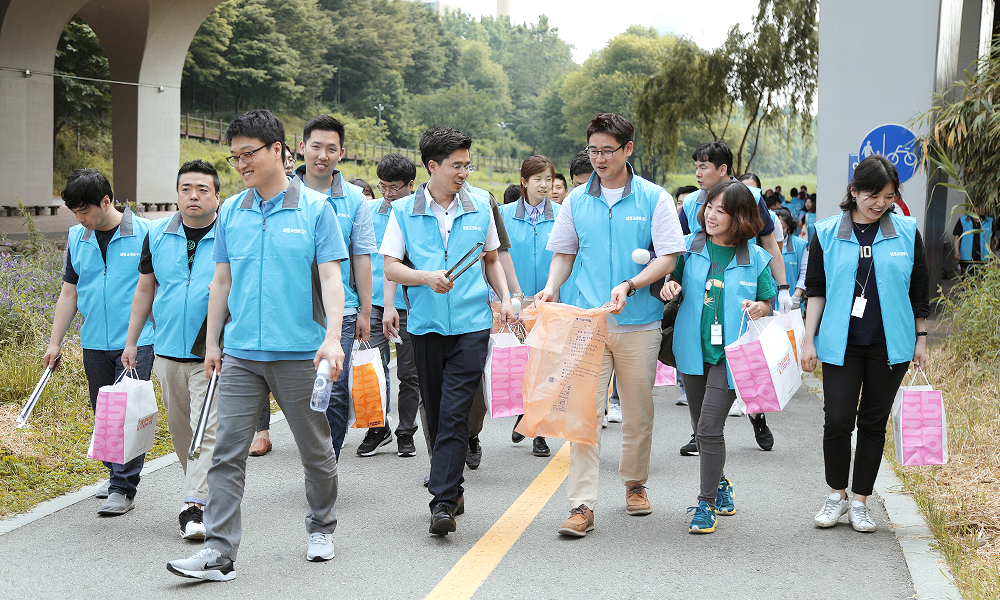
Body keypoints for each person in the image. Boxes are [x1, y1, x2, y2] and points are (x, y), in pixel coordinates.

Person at [166, 109, 347, 580]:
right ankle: (219, 552)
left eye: (249, 154)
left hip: (300, 353)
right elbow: (221, 280)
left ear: (278, 152)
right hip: (242, 354)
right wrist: (213, 342)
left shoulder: (315, 210)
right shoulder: (231, 211)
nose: (241, 164)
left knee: (315, 450)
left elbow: (332, 278)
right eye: (235, 156)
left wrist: (332, 338)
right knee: (227, 452)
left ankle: (321, 527)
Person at [538, 113, 685, 538]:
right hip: (588, 323)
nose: (599, 159)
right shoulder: (576, 201)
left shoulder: (654, 198)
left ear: (628, 149)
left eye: (607, 150)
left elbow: (668, 258)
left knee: (638, 413)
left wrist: (631, 285)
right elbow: (565, 253)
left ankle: (635, 483)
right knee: (584, 415)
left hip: (640, 324)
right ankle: (581, 504)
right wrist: (551, 286)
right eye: (593, 151)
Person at [381, 126, 516, 536]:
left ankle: (441, 502)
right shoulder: (403, 211)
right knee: (438, 412)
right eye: (456, 165)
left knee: (456, 410)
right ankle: (453, 489)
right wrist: (425, 277)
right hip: (425, 326)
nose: (463, 172)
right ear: (432, 166)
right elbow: (391, 267)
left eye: (467, 165)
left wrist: (505, 297)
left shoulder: (482, 203)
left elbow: (491, 259)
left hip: (473, 325)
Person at [802, 154, 929, 533]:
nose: (880, 204)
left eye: (888, 197)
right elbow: (816, 290)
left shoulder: (906, 231)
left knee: (873, 423)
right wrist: (808, 339)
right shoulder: (826, 232)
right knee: (837, 420)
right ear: (854, 191)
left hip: (891, 345)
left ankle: (859, 501)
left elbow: (918, 290)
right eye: (873, 196)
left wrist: (922, 338)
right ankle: (836, 495)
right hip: (841, 344)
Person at [660, 180, 776, 534]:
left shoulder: (755, 258)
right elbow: (668, 281)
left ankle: (706, 503)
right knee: (701, 429)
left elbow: (767, 302)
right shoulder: (688, 247)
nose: (710, 215)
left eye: (720, 210)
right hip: (692, 349)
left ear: (739, 217)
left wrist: (758, 307)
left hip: (732, 355)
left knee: (709, 427)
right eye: (709, 206)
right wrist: (669, 286)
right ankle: (721, 483)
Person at [44, 168, 154, 517]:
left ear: (106, 201)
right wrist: (55, 343)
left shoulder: (144, 233)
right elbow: (69, 293)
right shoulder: (78, 236)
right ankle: (115, 473)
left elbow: (157, 287)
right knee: (104, 414)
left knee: (126, 412)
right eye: (74, 212)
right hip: (93, 340)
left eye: (84, 211)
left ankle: (123, 487)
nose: (80, 219)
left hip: (136, 341)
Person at [121, 160, 221, 539]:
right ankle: (207, 493)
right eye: (185, 189)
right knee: (181, 433)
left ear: (217, 196)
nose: (193, 196)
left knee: (205, 430)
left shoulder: (230, 235)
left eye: (202, 189)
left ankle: (194, 506)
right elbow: (145, 289)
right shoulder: (157, 234)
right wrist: (132, 341)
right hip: (166, 352)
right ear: (177, 194)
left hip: (212, 353)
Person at [295, 115, 377, 460]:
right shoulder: (283, 193)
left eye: (331, 148)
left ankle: (328, 464)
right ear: (302, 148)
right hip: (293, 309)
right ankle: (313, 458)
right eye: (316, 147)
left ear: (341, 153)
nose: (322, 155)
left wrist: (366, 311)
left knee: (335, 388)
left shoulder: (356, 199)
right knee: (300, 390)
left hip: (340, 310)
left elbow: (361, 257)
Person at [500, 154, 568, 458]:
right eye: (538, 179)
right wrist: (505, 297)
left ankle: (537, 429)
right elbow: (494, 259)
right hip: (515, 304)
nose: (545, 185)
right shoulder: (503, 215)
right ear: (524, 182)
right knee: (520, 364)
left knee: (545, 368)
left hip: (552, 302)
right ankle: (523, 413)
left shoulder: (564, 215)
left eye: (549, 179)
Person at [370, 153, 422, 458]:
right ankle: (378, 428)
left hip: (408, 305)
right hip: (373, 305)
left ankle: (405, 431)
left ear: (410, 185)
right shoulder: (368, 212)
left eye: (394, 188)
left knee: (408, 373)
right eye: (383, 187)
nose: (388, 194)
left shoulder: (417, 214)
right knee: (372, 370)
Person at [774, 207, 808, 312]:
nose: (779, 231)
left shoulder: (800, 246)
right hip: (768, 305)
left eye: (782, 227)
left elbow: (804, 273)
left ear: (788, 226)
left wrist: (796, 296)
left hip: (792, 303)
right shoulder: (762, 245)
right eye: (775, 228)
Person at [952, 205, 993, 276]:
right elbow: (957, 237)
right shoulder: (963, 221)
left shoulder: (989, 221)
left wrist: (992, 254)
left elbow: (992, 240)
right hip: (966, 258)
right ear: (975, 208)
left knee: (982, 279)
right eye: (982, 207)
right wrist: (956, 251)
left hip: (984, 259)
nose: (985, 209)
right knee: (966, 279)